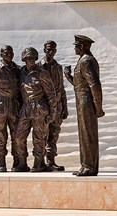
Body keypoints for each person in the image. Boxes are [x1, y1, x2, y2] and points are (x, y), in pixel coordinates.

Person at [64, 35, 104, 177]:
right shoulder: (83, 60)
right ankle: (85, 165)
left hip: (86, 101)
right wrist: (68, 76)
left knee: (88, 133)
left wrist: (98, 107)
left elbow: (94, 84)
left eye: (76, 46)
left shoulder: (86, 61)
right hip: (82, 100)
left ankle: (90, 166)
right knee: (84, 134)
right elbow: (80, 84)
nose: (74, 48)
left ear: (82, 47)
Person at [13, 47, 57, 172]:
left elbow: (51, 95)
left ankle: (38, 163)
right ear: (24, 59)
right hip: (26, 108)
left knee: (39, 138)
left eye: (32, 58)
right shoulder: (20, 72)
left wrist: (53, 113)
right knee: (18, 137)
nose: (30, 60)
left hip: (39, 108)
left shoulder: (42, 73)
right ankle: (22, 163)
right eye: (27, 58)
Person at [38, 40, 68, 171]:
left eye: (53, 49)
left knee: (54, 133)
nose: (50, 52)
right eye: (48, 49)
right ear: (44, 50)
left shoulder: (58, 67)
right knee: (41, 133)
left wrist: (64, 106)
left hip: (57, 105)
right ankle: (40, 161)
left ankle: (51, 160)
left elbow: (61, 88)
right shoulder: (38, 66)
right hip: (43, 105)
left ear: (55, 51)